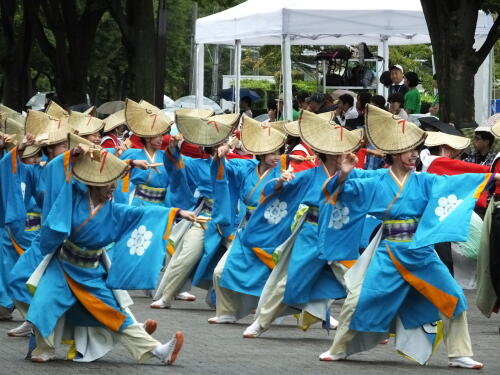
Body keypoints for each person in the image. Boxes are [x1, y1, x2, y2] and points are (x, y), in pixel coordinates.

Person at [318, 104, 499, 369]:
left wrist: (491, 177)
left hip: (421, 251)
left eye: (416, 150)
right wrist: (343, 174)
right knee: (358, 301)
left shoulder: (424, 181)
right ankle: (340, 348)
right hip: (389, 252)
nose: (415, 155)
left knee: (454, 297)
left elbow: (454, 184)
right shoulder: (376, 179)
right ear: (393, 154)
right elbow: (337, 192)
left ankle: (459, 353)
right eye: (409, 151)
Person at [23, 133, 191, 364]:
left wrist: (177, 213)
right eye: (107, 187)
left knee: (115, 314)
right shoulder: (73, 196)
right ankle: (44, 349)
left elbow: (144, 213)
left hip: (91, 272)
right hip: (62, 266)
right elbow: (54, 173)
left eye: (114, 186)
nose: (112, 191)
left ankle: (158, 350)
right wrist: (72, 154)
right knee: (43, 304)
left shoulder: (116, 210)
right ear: (93, 185)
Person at [242, 112, 372, 338]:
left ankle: (365, 327)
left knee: (355, 281)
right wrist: (281, 182)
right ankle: (261, 322)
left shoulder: (355, 175)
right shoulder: (310, 175)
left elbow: (374, 187)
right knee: (290, 281)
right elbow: (273, 192)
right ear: (328, 153)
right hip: (311, 232)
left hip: (339, 235)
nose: (344, 153)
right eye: (339, 149)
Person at [207, 118, 297, 324]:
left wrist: (281, 182)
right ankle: (227, 311)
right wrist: (220, 155)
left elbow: (287, 187)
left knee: (273, 279)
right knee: (221, 272)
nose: (276, 157)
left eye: (279, 151)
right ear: (261, 153)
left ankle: (270, 312)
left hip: (272, 234)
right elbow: (224, 170)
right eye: (272, 152)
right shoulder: (247, 167)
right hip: (246, 231)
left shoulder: (284, 170)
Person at [151, 110, 241, 309]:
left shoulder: (237, 165)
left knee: (239, 260)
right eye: (215, 143)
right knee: (185, 257)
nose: (219, 146)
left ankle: (233, 302)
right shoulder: (196, 165)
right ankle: (166, 296)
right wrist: (173, 147)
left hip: (232, 223)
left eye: (222, 142)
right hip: (205, 219)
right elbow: (176, 168)